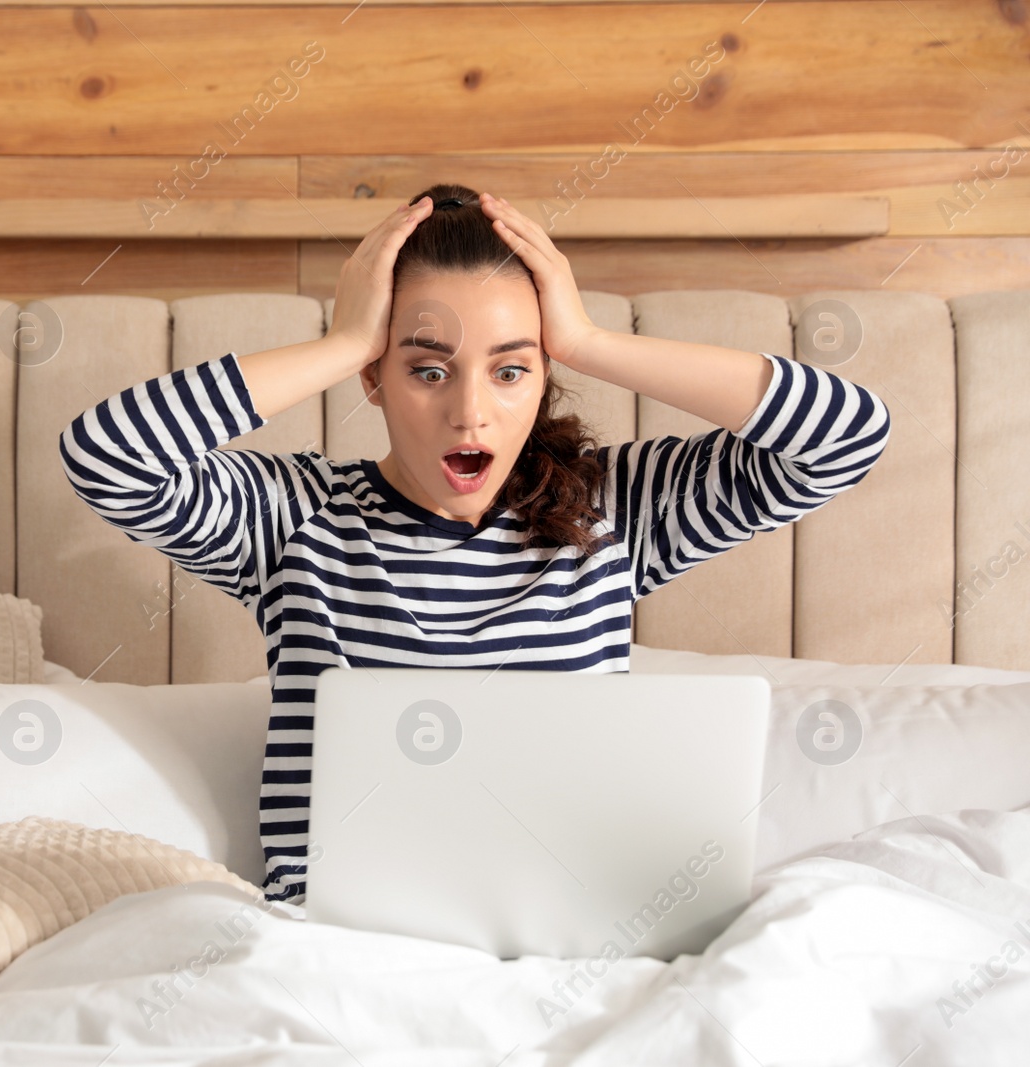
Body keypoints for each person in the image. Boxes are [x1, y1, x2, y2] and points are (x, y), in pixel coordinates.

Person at [59, 182, 892, 906]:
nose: (470, 413)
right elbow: (107, 455)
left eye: (510, 369)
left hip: (566, 943)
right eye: (427, 369)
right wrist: (345, 340)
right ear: (375, 379)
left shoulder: (612, 512)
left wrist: (589, 342)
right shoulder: (293, 521)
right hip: (335, 957)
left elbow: (846, 436)